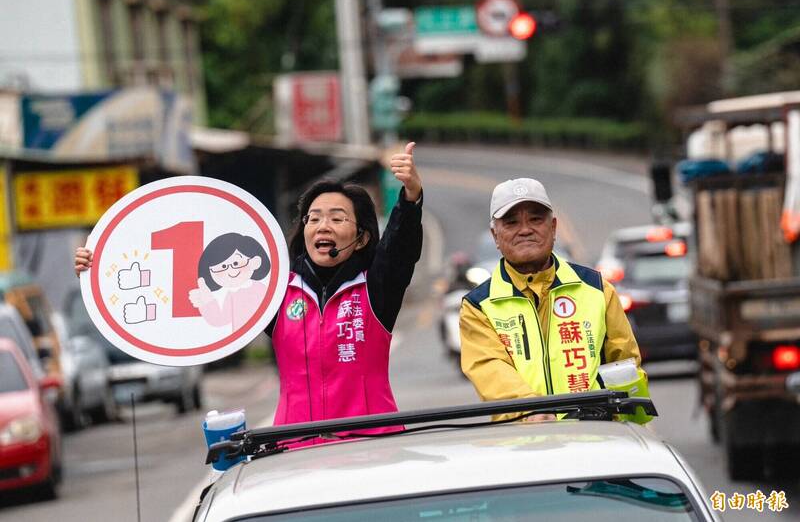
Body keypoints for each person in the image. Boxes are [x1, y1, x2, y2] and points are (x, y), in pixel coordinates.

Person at [75, 142, 423, 438]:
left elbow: (399, 247)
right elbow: (181, 281)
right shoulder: (273, 291)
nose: (322, 226)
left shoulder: (376, 288)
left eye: (336, 218)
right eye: (313, 218)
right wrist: (100, 266)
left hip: (373, 446)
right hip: (295, 451)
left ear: (361, 237)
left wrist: (410, 197)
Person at [459, 178, 645, 422]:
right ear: (496, 235)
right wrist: (531, 410)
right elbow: (490, 369)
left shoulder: (596, 289)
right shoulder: (478, 306)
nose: (525, 229)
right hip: (521, 447)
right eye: (511, 222)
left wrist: (633, 427)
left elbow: (625, 365)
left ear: (554, 227)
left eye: (536, 219)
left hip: (597, 442)